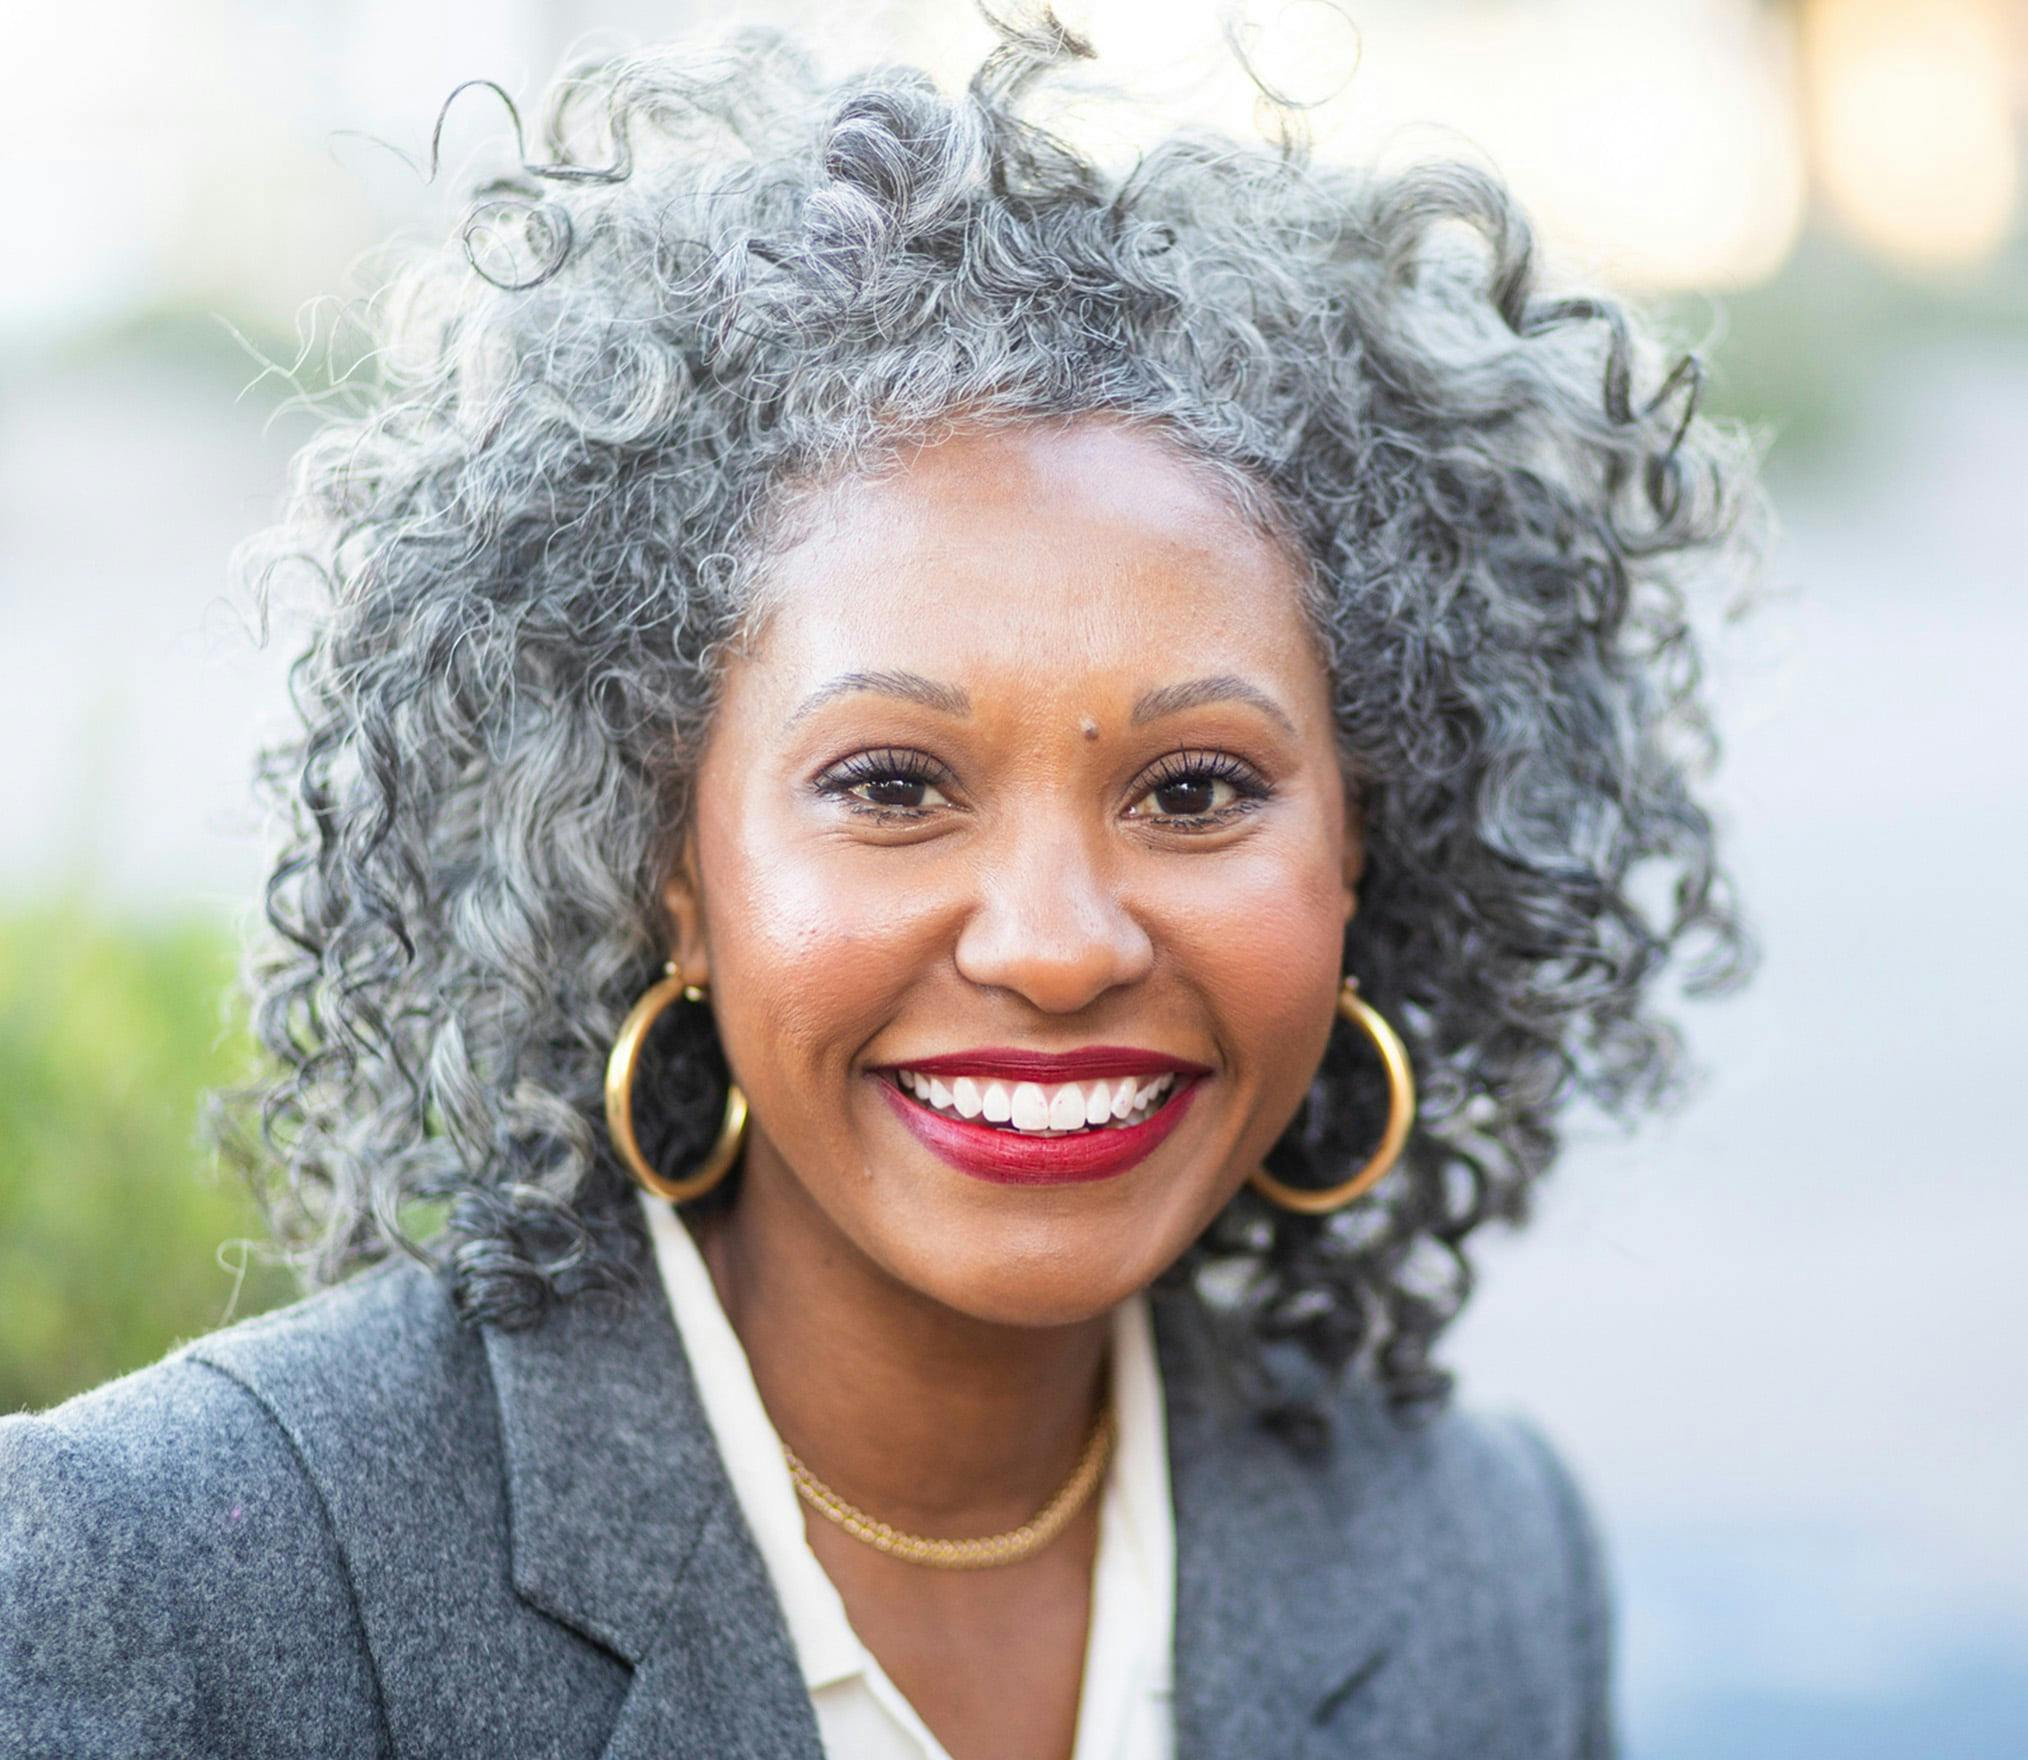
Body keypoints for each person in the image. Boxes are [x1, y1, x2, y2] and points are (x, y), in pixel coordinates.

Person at [0, 11, 1767, 1758]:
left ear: (1368, 844)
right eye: (894, 785)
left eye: (1199, 788)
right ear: (664, 862)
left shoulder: (1487, 1568)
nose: (1060, 946)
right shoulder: (174, 1583)